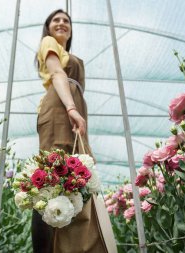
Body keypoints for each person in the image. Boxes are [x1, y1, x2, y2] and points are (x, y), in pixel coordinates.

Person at [32, 9, 117, 253]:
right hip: (60, 110)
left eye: (66, 21)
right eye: (56, 20)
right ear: (48, 28)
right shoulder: (48, 43)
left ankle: (73, 246)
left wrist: (75, 109)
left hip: (72, 111)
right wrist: (71, 108)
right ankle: (45, 249)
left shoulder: (72, 56)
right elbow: (57, 73)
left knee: (77, 175)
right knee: (51, 178)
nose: (61, 23)